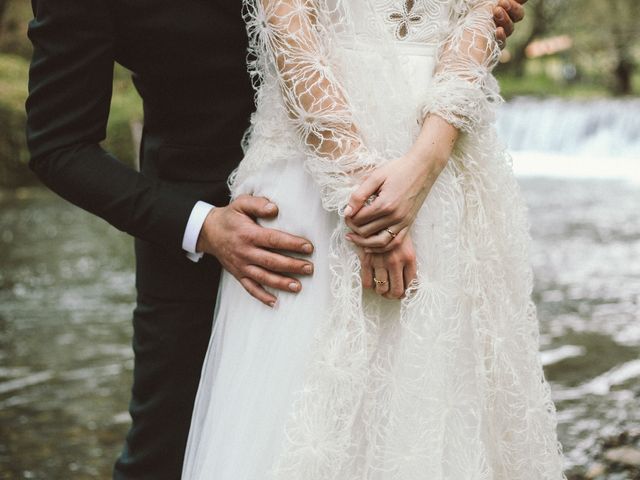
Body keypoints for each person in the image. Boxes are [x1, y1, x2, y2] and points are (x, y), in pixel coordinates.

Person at [24, 0, 527, 478]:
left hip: (412, 186)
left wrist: (461, 24)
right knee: (167, 453)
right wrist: (203, 226)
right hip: (225, 228)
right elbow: (59, 145)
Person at [181, 0, 566, 479]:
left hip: (444, 176)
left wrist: (424, 165)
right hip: (311, 178)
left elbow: (483, 15)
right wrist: (365, 202)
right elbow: (290, 30)